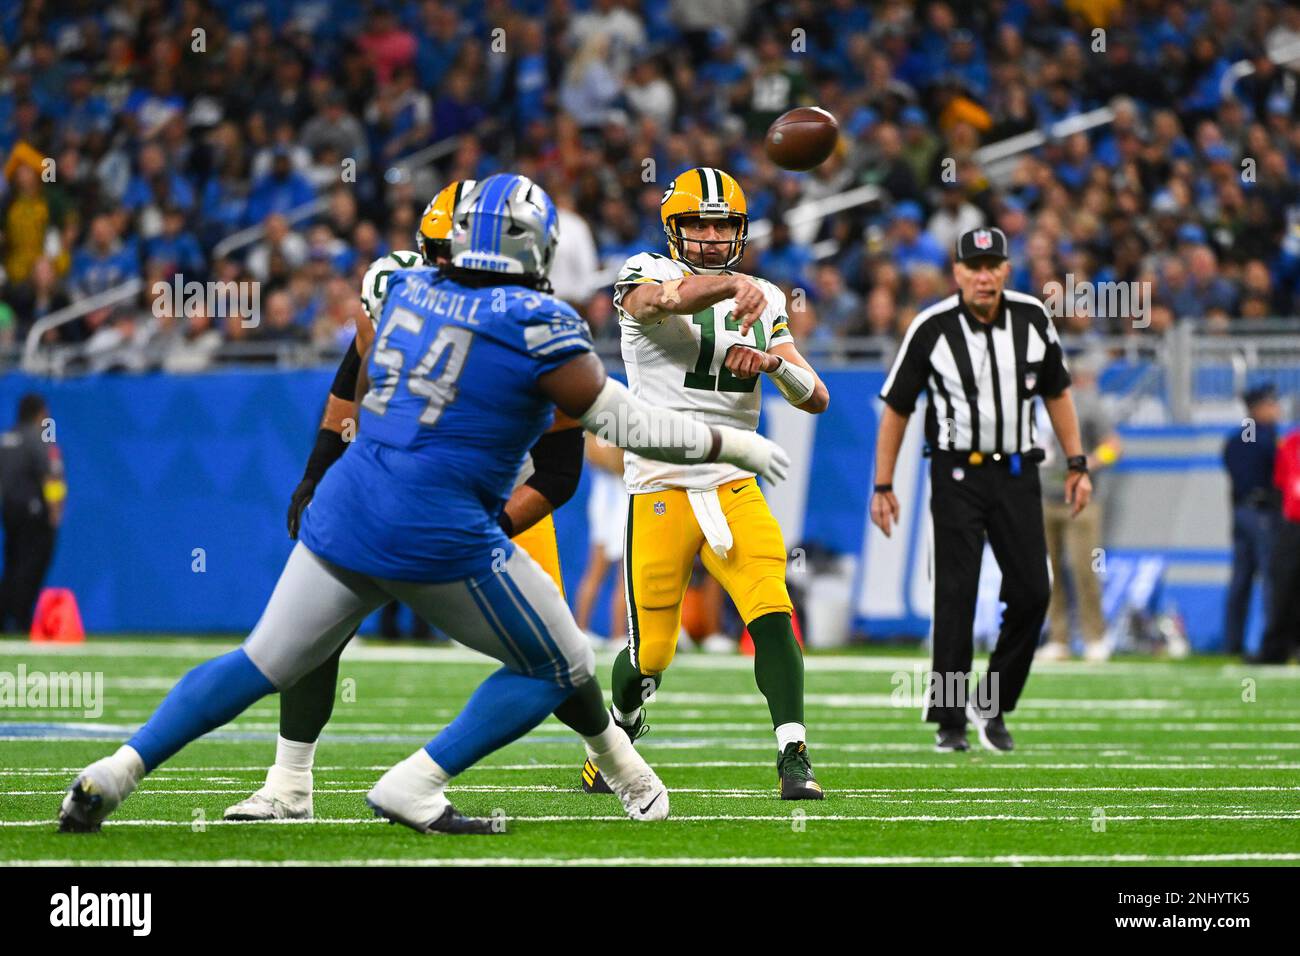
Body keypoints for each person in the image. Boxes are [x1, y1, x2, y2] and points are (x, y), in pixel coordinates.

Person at [58, 173, 790, 834]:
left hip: (348, 508)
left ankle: (119, 769)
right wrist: (735, 448)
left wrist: (320, 469)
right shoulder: (542, 324)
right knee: (559, 664)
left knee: (262, 660)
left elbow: (367, 383)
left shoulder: (400, 293)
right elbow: (623, 423)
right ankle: (417, 781)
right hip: (441, 527)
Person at [224, 180, 584, 821]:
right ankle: (289, 783)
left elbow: (560, 470)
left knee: (556, 653)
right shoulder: (401, 299)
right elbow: (347, 394)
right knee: (316, 635)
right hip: (398, 500)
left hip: (494, 496)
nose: (448, 266)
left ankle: (620, 765)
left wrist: (495, 525)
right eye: (438, 252)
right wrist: (316, 474)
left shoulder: (534, 323)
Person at [580, 166, 831, 801]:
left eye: (724, 225)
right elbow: (666, 302)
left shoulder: (767, 298)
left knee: (771, 606)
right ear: (674, 229)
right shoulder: (644, 272)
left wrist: (774, 365)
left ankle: (793, 755)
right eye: (700, 223)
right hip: (661, 482)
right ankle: (622, 726)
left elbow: (817, 396)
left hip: (733, 480)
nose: (714, 236)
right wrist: (732, 285)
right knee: (652, 654)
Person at [871, 227, 1092, 753]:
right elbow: (897, 409)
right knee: (956, 595)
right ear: (958, 273)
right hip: (956, 475)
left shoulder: (1033, 318)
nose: (985, 274)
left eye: (994, 264)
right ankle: (951, 722)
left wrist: (1078, 462)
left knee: (1034, 590)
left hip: (1019, 472)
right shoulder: (931, 327)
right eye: (975, 265)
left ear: (1006, 270)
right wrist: (883, 483)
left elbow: (1058, 391)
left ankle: (992, 701)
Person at [1037, 351, 1122, 662]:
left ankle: (1094, 636)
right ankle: (1058, 638)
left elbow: (1114, 446)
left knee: (1084, 569)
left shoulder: (1086, 402)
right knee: (1049, 573)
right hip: (1043, 496)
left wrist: (1089, 465)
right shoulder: (1032, 403)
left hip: (1079, 501)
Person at [1221, 383, 1281, 657]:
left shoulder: (1235, 440)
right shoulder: (1267, 438)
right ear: (1258, 408)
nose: (1276, 410)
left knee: (1240, 581)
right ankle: (1275, 643)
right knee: (1272, 579)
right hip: (1264, 515)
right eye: (1271, 404)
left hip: (1240, 513)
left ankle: (1233, 643)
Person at [0, 394, 66, 633]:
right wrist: (55, 509)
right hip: (35, 513)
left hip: (9, 512)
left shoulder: (5, 439)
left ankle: (5, 616)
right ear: (40, 413)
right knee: (31, 567)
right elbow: (52, 476)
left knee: (12, 564)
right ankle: (20, 618)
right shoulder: (40, 440)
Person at [572, 432, 627, 644]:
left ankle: (618, 633)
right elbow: (609, 461)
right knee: (602, 569)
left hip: (617, 500)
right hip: (611, 503)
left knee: (625, 572)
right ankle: (589, 629)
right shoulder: (598, 426)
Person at [1254, 419, 1300, 664]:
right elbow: (1281, 483)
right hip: (1293, 525)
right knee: (1283, 588)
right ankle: (1276, 649)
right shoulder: (1290, 443)